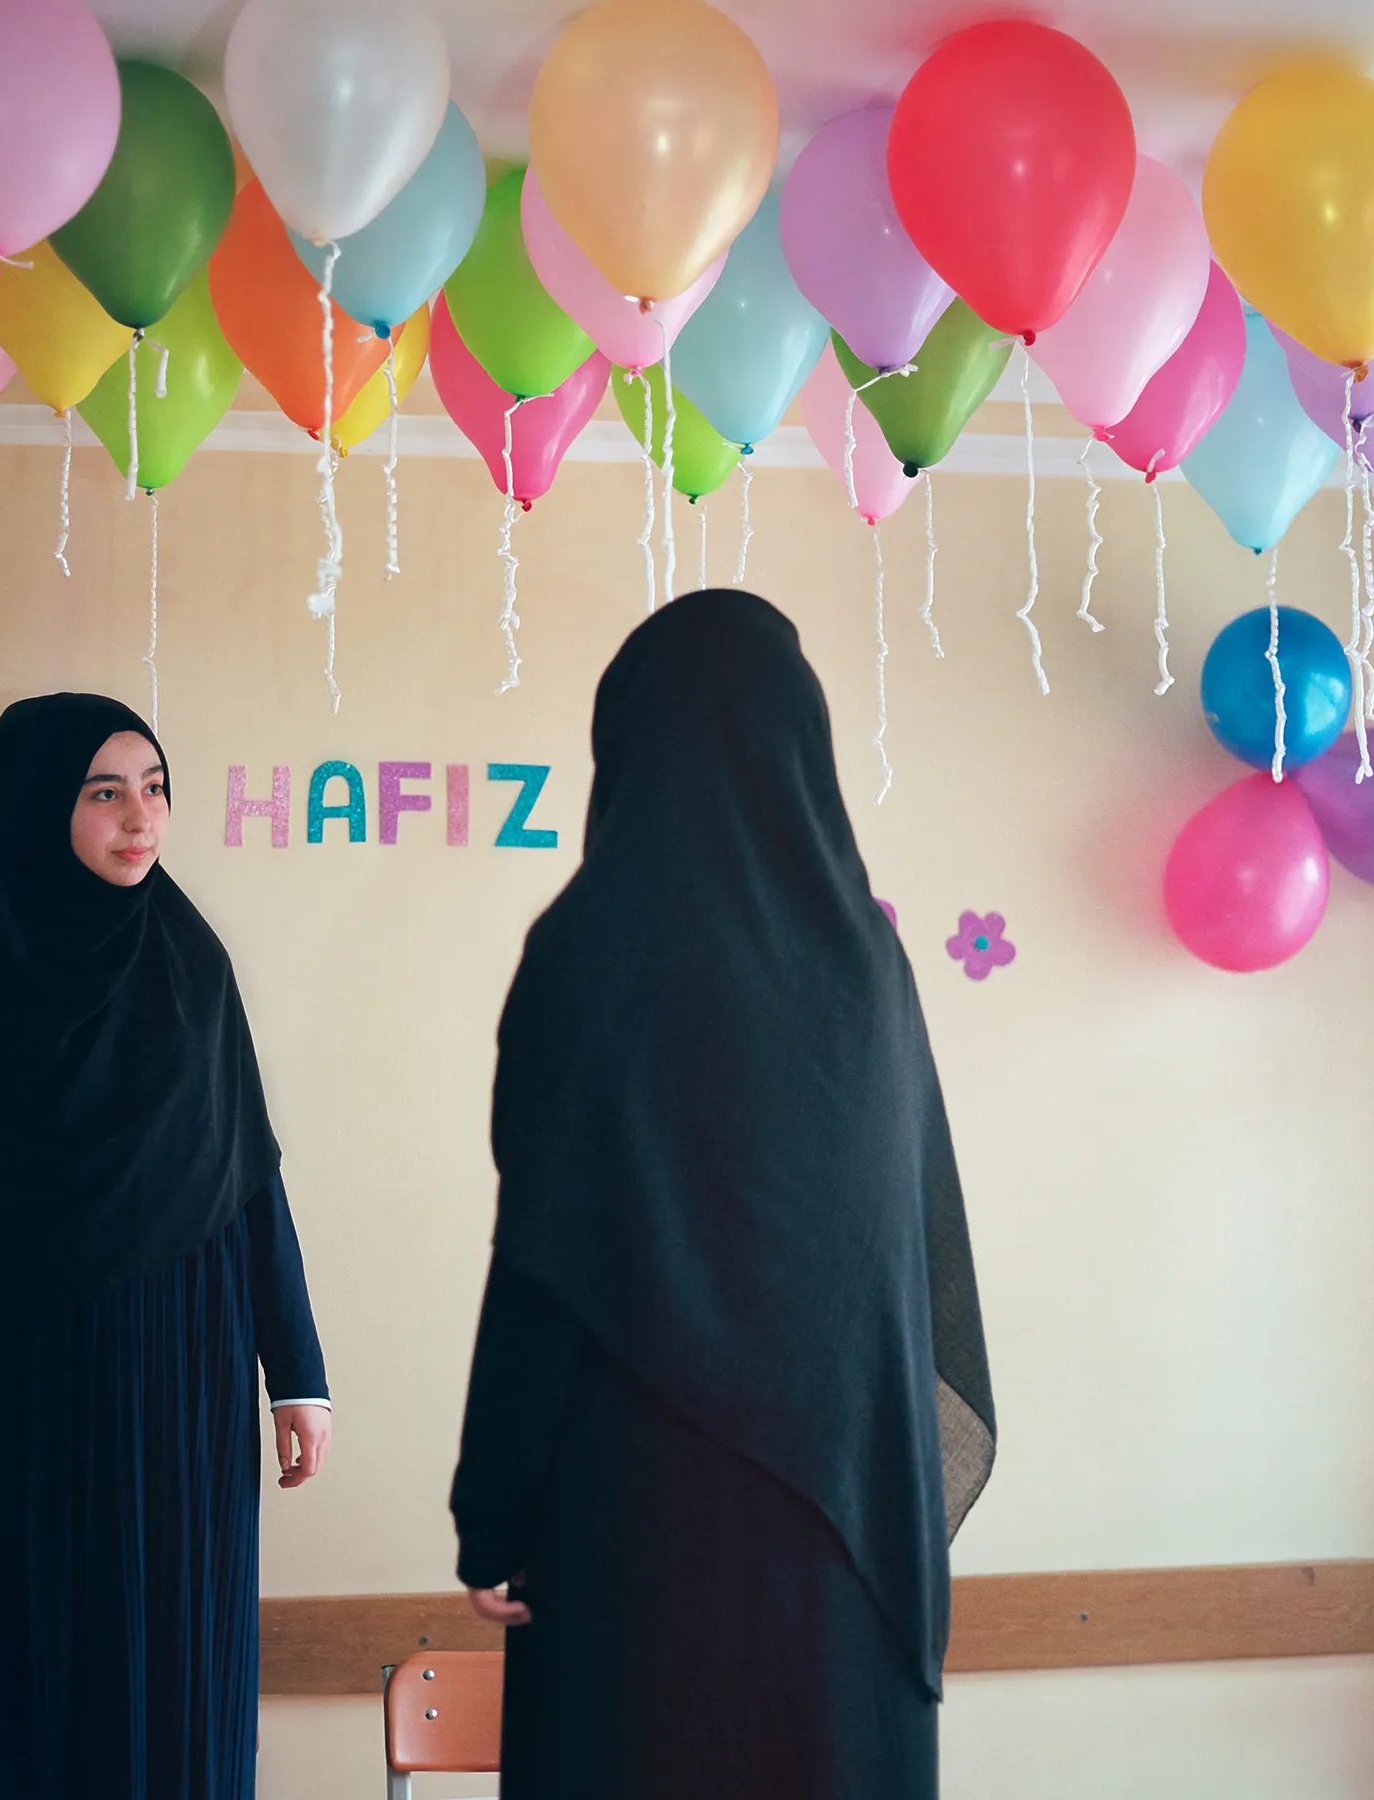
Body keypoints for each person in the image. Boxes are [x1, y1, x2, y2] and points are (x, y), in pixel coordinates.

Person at [451, 591, 994, 1799]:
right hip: (842, 1545)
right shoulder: (868, 966)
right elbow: (905, 1269)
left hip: (633, 1534)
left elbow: (541, 1263)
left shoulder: (588, 949)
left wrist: (490, 1512)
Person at [0, 693, 330, 1800]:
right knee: (38, 1664)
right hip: (30, 1381)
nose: (140, 819)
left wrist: (298, 1374)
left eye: (155, 788)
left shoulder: (193, 964)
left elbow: (249, 1176)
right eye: (104, 793)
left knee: (179, 1656)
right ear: (37, 807)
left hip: (190, 1378)